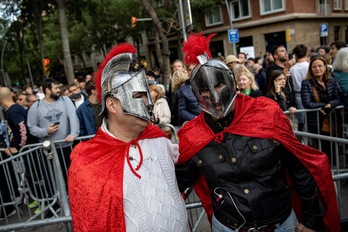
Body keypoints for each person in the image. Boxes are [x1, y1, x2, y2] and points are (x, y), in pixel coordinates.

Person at [175, 32, 339, 232]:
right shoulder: (192, 135)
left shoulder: (265, 112)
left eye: (219, 85)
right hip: (229, 226)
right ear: (196, 94)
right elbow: (177, 184)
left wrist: (313, 220)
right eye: (205, 91)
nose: (215, 97)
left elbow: (299, 168)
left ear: (233, 83)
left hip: (280, 223)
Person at [68, 43, 188, 231]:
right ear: (112, 105)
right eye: (140, 96)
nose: (149, 103)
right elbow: (91, 221)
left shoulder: (160, 138)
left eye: (148, 95)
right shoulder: (88, 160)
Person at [27, 78, 79, 181]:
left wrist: (73, 134)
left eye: (59, 87)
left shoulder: (65, 100)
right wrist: (46, 131)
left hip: (68, 147)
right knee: (56, 179)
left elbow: (73, 117)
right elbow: (32, 128)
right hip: (49, 151)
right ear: (47, 90)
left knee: (74, 177)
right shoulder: (35, 107)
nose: (59, 90)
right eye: (56, 88)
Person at [301, 56, 342, 161]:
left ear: (325, 67)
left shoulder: (332, 80)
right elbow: (307, 103)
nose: (317, 69)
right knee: (320, 148)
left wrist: (331, 105)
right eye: (314, 67)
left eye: (320, 66)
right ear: (311, 69)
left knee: (333, 148)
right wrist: (323, 106)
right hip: (316, 121)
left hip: (332, 119)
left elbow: (338, 98)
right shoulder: (306, 83)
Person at [290, 44, 309, 132]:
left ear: (295, 55)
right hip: (308, 93)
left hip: (298, 94)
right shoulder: (309, 66)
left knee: (302, 118)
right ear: (306, 53)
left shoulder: (293, 69)